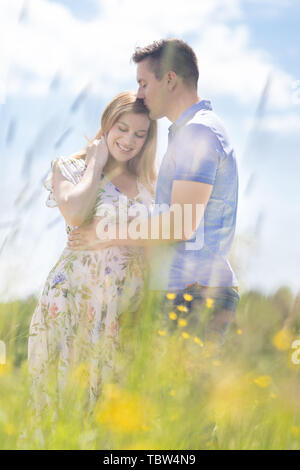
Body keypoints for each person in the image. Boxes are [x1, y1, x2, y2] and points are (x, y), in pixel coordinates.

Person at [68, 38, 239, 346]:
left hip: (192, 294)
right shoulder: (191, 132)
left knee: (178, 392)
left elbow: (180, 224)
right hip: (185, 292)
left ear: (170, 79)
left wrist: (104, 233)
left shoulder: (197, 133)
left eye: (144, 83)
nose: (140, 94)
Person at [28, 91, 157, 413]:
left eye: (140, 134)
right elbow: (74, 214)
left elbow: (155, 245)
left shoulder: (148, 185)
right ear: (107, 124)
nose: (129, 140)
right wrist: (96, 163)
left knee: (110, 408)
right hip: (73, 299)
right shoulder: (70, 168)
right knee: (62, 401)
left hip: (123, 306)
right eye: (122, 128)